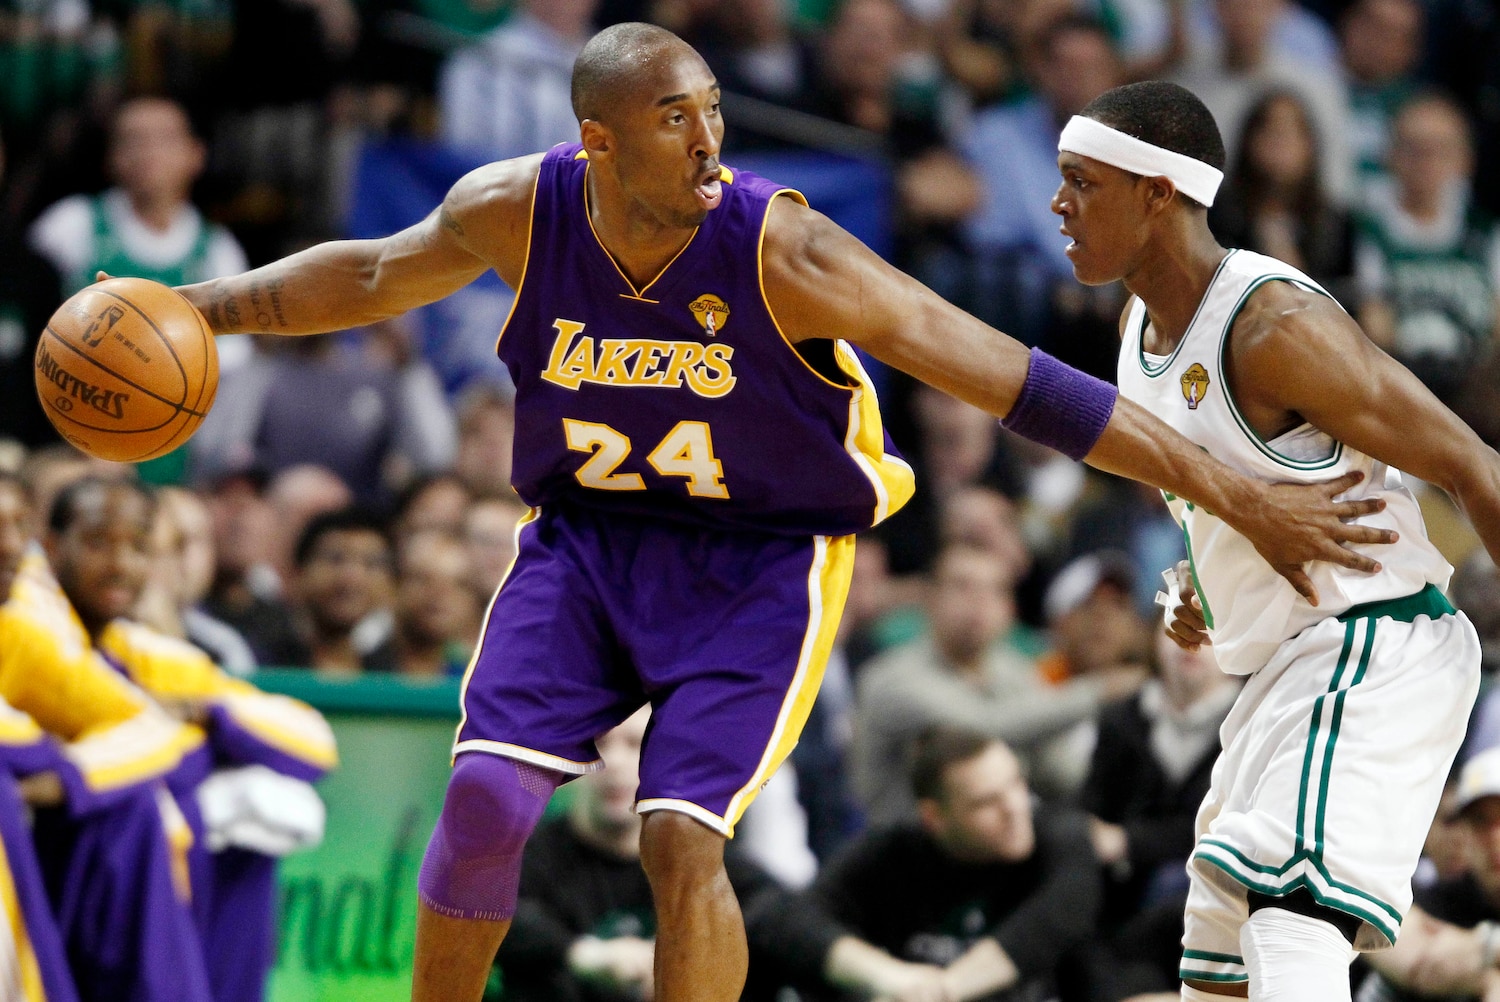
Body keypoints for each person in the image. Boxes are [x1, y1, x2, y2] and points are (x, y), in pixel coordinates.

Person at [171, 23, 1399, 1002]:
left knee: (679, 844)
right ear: (597, 141)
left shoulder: (787, 250)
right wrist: (199, 310)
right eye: (674, 118)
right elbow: (374, 272)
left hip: (759, 564)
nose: (710, 137)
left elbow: (1008, 373)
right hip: (587, 545)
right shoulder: (517, 208)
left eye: (713, 107)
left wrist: (1235, 489)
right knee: (485, 801)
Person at [1050, 79, 1500, 1001]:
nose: (1058, 204)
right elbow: (1228, 503)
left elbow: (1472, 462)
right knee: (1220, 967)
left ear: (1156, 194)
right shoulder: (1138, 327)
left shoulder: (1272, 327)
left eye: (1081, 182)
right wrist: (1196, 589)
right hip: (1281, 674)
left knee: (1293, 922)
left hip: (1375, 643)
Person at [755, 729, 1102, 1002]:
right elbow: (791, 921)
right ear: (935, 817)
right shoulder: (894, 851)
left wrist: (940, 990)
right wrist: (890, 978)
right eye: (986, 802)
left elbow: (1059, 914)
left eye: (1015, 784)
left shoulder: (1060, 837)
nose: (1014, 808)